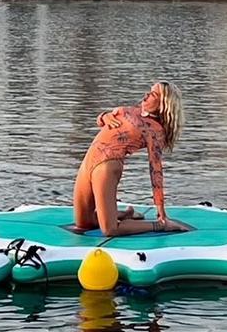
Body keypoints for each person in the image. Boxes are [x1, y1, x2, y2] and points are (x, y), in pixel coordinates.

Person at [74, 82, 187, 237]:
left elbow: (156, 170)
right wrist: (104, 116)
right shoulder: (134, 110)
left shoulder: (155, 130)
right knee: (83, 223)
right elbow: (103, 120)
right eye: (149, 91)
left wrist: (161, 212)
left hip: (107, 165)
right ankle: (123, 214)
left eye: (153, 94)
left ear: (163, 105)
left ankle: (160, 225)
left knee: (110, 230)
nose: (147, 94)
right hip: (88, 161)